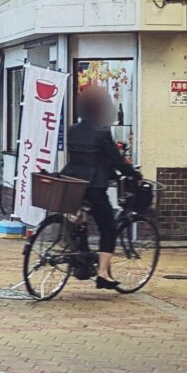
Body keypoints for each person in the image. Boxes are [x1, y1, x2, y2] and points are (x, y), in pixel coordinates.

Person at [59, 84, 138, 289]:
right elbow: (116, 159)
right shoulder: (102, 132)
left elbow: (87, 156)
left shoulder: (72, 130)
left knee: (78, 220)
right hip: (93, 186)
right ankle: (103, 273)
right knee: (108, 228)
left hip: (72, 182)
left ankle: (82, 258)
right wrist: (133, 173)